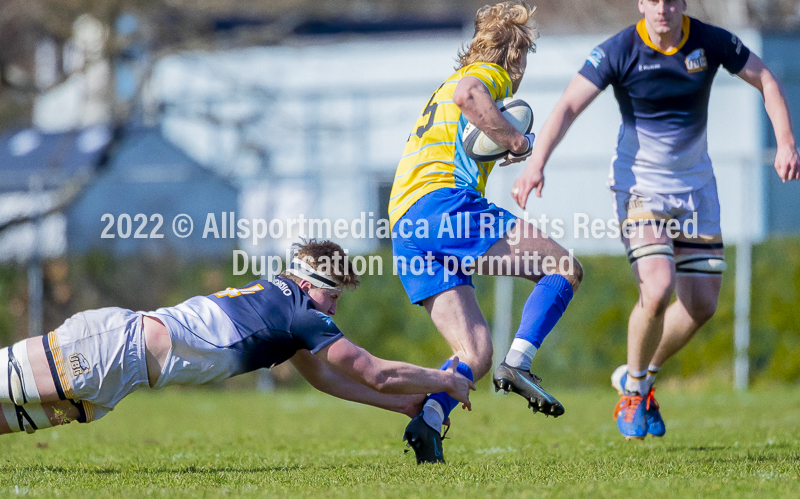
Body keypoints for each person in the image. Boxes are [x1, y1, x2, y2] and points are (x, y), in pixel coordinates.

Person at [511, 0, 800, 440]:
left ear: (682, 3)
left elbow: (765, 79)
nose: (662, 8)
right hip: (639, 189)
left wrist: (785, 142)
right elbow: (569, 105)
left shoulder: (709, 40)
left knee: (702, 304)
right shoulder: (619, 49)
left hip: (697, 191)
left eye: (671, 0)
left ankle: (639, 376)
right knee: (658, 285)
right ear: (641, 4)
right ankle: (631, 394)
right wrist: (537, 163)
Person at [0, 239, 475, 437]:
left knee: (8, 419)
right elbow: (374, 371)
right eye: (333, 297)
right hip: (112, 346)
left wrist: (403, 406)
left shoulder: (287, 310)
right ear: (311, 285)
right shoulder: (301, 314)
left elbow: (326, 380)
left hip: (119, 377)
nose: (335, 310)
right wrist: (445, 380)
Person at [389, 1, 582, 464]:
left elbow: (462, 107)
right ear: (516, 56)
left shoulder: (444, 85)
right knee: (563, 267)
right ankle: (518, 365)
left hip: (404, 223)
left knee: (472, 352)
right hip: (443, 205)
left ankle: (429, 422)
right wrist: (519, 141)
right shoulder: (488, 73)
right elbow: (471, 97)